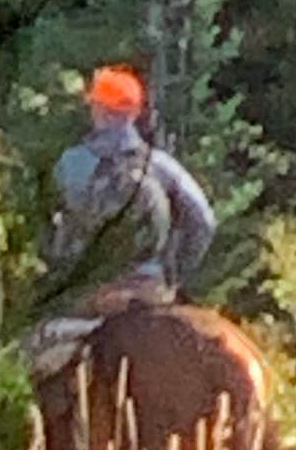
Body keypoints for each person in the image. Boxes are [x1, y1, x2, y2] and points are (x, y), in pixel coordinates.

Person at [46, 65, 216, 305]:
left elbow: (55, 233)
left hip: (91, 292)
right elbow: (204, 221)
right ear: (134, 113)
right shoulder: (161, 166)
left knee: (37, 336)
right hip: (149, 287)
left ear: (100, 110)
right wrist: (174, 276)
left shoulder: (70, 163)